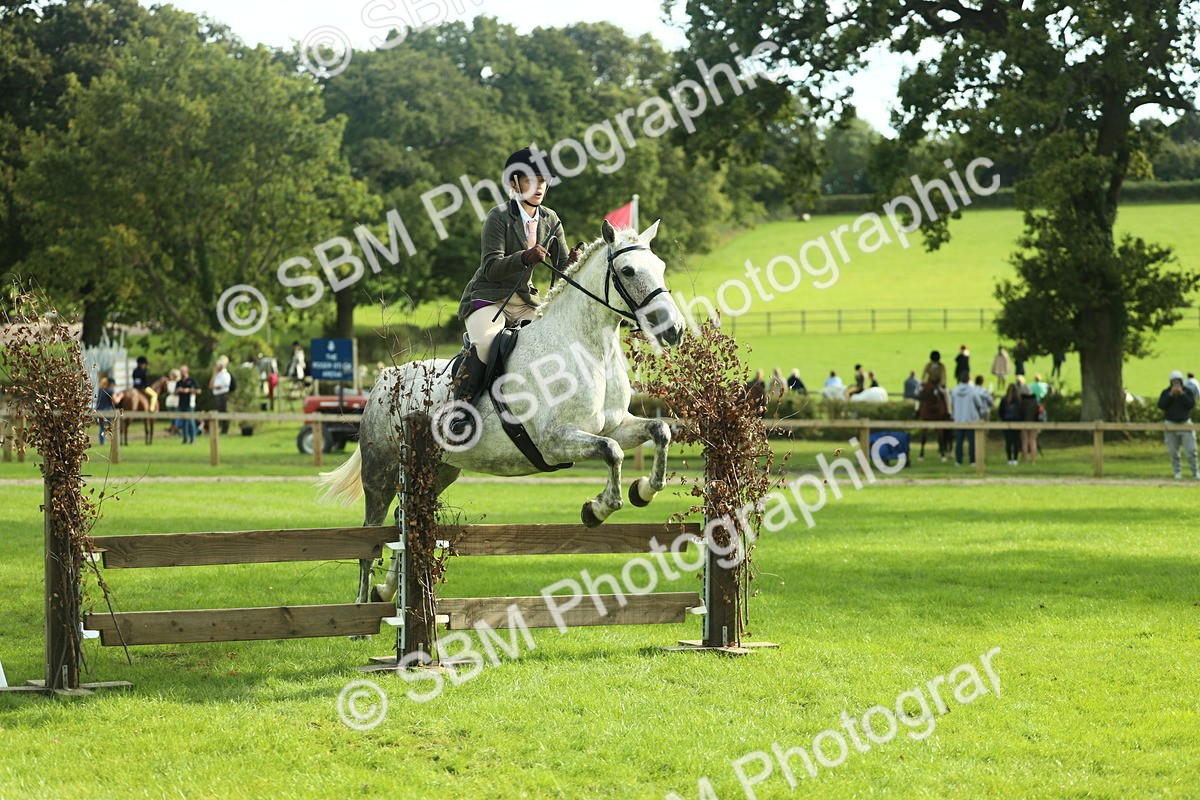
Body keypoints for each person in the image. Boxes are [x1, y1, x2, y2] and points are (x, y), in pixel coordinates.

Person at [450, 146, 582, 422]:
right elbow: (491, 267)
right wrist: (524, 257)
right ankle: (461, 410)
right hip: (488, 297)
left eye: (543, 181)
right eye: (531, 180)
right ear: (514, 183)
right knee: (486, 343)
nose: (539, 187)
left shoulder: (551, 219)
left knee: (554, 341)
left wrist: (573, 263)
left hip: (524, 300)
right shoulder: (498, 217)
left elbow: (561, 271)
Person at [1158, 370, 1198, 480]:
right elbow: (1161, 405)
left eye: (1178, 381)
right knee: (1173, 452)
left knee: (1191, 451)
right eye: (1174, 381)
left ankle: (1195, 472)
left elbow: (1191, 404)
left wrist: (1181, 394)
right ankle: (1177, 472)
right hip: (1170, 423)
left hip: (1185, 423)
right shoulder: (1166, 392)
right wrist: (1171, 395)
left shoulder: (1187, 391)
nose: (1176, 383)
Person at [950, 371, 984, 465]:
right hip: (970, 419)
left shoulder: (955, 390)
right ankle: (972, 460)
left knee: (959, 441)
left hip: (958, 419)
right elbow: (979, 403)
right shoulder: (972, 390)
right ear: (969, 379)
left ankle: (958, 460)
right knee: (972, 441)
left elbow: (951, 403)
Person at [1016, 376, 1039, 464]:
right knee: (1033, 441)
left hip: (1023, 422)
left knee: (1024, 441)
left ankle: (1025, 459)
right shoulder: (1034, 401)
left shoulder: (1021, 403)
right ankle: (1033, 460)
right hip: (1033, 422)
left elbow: (1019, 413)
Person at [176, 365, 200, 444]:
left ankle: (192, 439)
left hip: (190, 404)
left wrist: (189, 390)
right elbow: (175, 392)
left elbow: (199, 390)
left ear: (186, 371)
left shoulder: (192, 380)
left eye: (182, 371)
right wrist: (179, 390)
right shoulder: (179, 382)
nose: (181, 373)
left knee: (191, 421)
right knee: (183, 422)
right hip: (181, 404)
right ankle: (185, 439)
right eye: (180, 371)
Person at [998, 383, 1022, 465]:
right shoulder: (1019, 400)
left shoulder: (1004, 400)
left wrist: (1003, 419)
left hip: (1006, 421)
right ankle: (1015, 459)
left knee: (1008, 442)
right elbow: (1021, 411)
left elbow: (1000, 411)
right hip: (1016, 422)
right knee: (1016, 441)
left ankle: (1009, 459)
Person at [210, 356, 232, 434]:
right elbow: (211, 384)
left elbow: (224, 385)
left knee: (223, 411)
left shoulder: (225, 374)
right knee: (218, 411)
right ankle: (219, 427)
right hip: (217, 395)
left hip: (223, 395)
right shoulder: (217, 374)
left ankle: (225, 429)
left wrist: (215, 387)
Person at [95, 376, 115, 444]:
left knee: (102, 428)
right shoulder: (110, 390)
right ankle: (113, 442)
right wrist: (120, 396)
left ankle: (102, 442)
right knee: (111, 427)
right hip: (107, 411)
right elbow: (115, 400)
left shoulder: (100, 390)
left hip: (99, 411)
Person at [164, 368, 181, 435]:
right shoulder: (169, 383)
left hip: (176, 402)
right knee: (171, 416)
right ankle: (173, 429)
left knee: (177, 416)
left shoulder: (178, 383)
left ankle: (176, 429)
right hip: (170, 402)